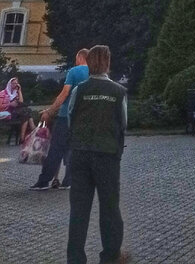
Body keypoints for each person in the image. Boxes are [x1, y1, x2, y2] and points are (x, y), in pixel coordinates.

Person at [66, 43, 129, 264]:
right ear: (108, 63)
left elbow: (71, 116)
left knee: (79, 211)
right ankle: (110, 257)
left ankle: (75, 259)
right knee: (110, 208)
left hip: (81, 152)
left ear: (89, 63)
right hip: (107, 154)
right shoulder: (119, 92)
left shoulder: (79, 89)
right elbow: (123, 123)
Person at [30, 48, 90, 190]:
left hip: (66, 116)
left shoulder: (74, 72)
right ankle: (68, 181)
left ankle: (44, 181)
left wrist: (50, 112)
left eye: (76, 58)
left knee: (55, 149)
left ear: (80, 57)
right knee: (73, 149)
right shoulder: (93, 73)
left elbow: (64, 94)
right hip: (83, 117)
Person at [2, 76, 35, 145]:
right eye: (13, 83)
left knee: (26, 113)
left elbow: (21, 102)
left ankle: (22, 138)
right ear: (9, 84)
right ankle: (34, 131)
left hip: (18, 113)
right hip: (8, 113)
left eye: (16, 83)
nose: (15, 85)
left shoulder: (16, 93)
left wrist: (19, 91)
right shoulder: (3, 93)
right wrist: (9, 104)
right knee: (27, 112)